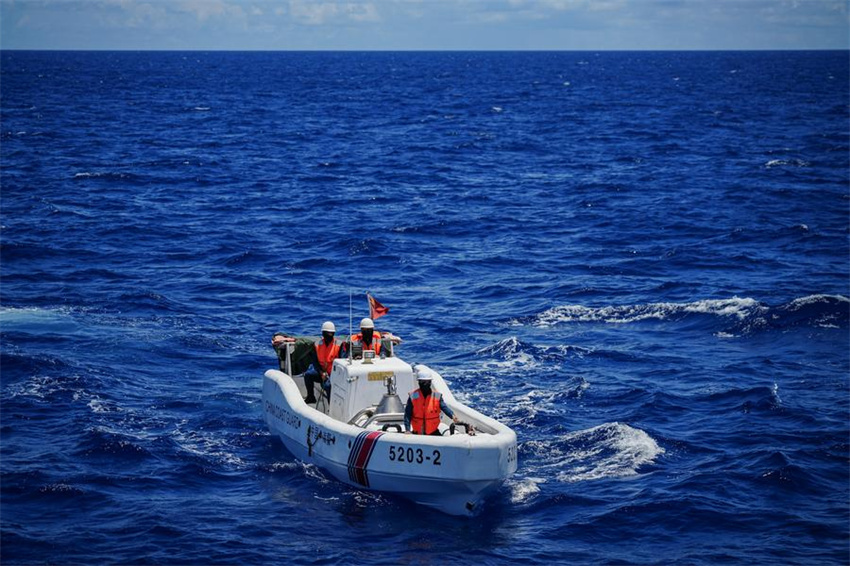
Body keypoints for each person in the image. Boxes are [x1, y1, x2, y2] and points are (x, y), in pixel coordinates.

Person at [404, 369, 458, 436]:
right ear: (418, 382)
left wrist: (452, 415)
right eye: (422, 382)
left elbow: (444, 407)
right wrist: (407, 430)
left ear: (430, 382)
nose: (424, 384)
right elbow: (407, 414)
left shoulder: (437, 396)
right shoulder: (413, 396)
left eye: (427, 382)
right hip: (417, 433)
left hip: (433, 432)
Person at [304, 321, 341, 404]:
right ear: (323, 333)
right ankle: (311, 397)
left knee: (328, 386)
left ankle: (331, 406)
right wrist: (321, 372)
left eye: (331, 333)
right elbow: (315, 362)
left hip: (334, 374)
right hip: (322, 373)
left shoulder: (339, 345)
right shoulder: (317, 345)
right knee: (308, 375)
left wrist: (331, 375)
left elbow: (342, 362)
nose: (329, 335)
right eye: (327, 333)